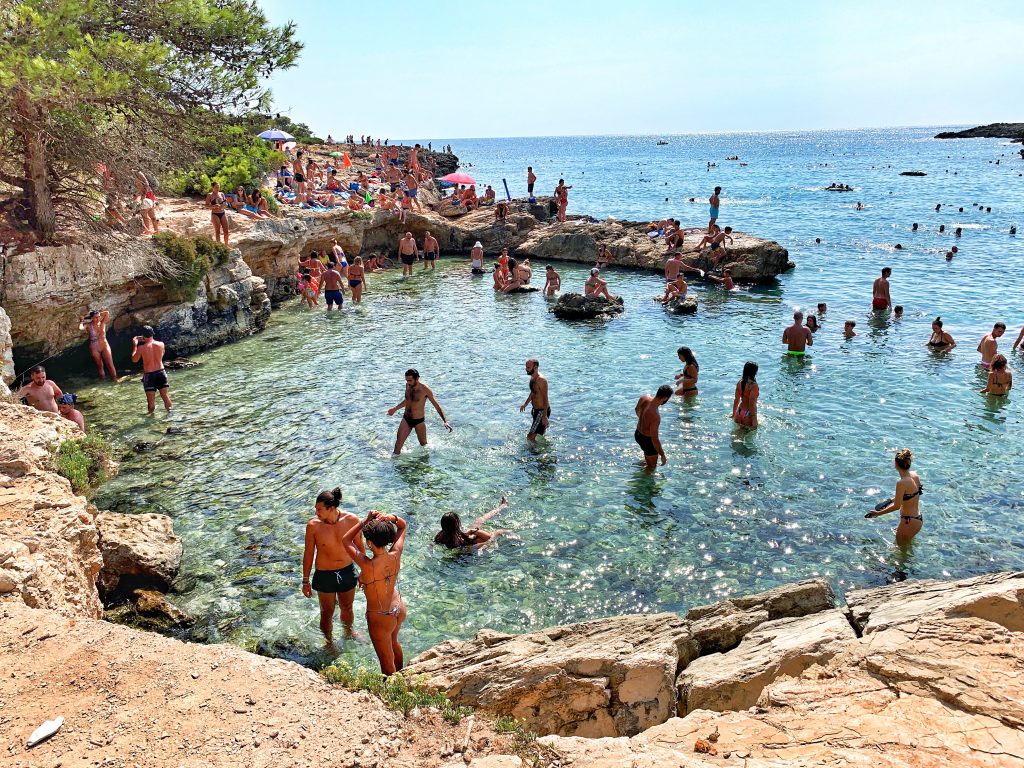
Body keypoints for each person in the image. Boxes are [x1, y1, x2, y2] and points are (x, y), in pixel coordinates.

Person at [341, 511, 408, 675]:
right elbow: (403, 526)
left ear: (369, 543)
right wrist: (391, 518)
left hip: (380, 615)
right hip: (398, 607)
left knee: (386, 663)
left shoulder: (367, 565)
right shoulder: (395, 554)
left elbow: (346, 540)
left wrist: (365, 520)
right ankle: (404, 675)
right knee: (394, 642)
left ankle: (394, 694)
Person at [302, 487, 363, 644]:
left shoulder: (352, 520)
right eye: (316, 509)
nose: (316, 513)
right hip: (325, 574)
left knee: (347, 608)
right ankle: (329, 642)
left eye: (319, 509)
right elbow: (308, 553)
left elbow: (360, 548)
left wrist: (365, 572)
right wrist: (305, 580)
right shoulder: (313, 526)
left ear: (332, 508)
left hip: (347, 571)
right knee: (327, 612)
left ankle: (349, 633)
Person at [865, 448, 923, 547]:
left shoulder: (901, 482)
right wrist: (889, 501)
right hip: (917, 519)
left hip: (908, 522)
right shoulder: (914, 475)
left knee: (901, 556)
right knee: (906, 549)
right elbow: (911, 495)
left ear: (896, 465)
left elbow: (897, 506)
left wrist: (877, 514)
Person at [387, 369, 452, 455]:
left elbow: (436, 405)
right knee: (397, 446)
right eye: (406, 380)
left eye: (410, 380)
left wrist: (445, 421)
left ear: (417, 378)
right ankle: (395, 466)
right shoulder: (408, 386)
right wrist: (395, 409)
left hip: (419, 421)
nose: (408, 382)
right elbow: (408, 400)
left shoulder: (425, 390)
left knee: (424, 446)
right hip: (406, 419)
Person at [434, 497, 509, 549]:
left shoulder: (440, 535)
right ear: (457, 524)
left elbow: (433, 543)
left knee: (479, 521)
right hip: (471, 547)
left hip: (462, 547)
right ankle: (503, 506)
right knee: (496, 531)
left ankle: (502, 506)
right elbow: (489, 538)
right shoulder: (461, 538)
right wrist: (472, 531)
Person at [131, 325, 171, 413]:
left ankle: (150, 420)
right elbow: (161, 355)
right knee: (165, 396)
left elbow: (134, 359)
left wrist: (135, 345)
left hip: (149, 375)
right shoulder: (161, 344)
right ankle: (170, 414)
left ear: (143, 336)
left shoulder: (141, 348)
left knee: (151, 403)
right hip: (161, 372)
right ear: (153, 333)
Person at [634, 385, 672, 470]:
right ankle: (641, 481)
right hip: (647, 440)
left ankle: (640, 466)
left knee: (647, 457)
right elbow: (654, 438)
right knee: (652, 468)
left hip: (637, 434)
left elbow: (636, 409)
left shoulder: (645, 397)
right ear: (665, 398)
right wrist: (662, 454)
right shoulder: (655, 415)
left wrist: (643, 420)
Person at [79, 309, 117, 379]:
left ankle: (115, 380)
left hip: (104, 345)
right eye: (96, 317)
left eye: (99, 316)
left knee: (110, 364)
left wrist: (95, 314)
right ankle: (102, 381)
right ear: (92, 318)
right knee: (100, 366)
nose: (98, 318)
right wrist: (82, 321)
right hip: (94, 346)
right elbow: (81, 328)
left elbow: (107, 313)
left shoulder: (102, 322)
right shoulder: (88, 325)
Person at [519, 358, 550, 441]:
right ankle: (539, 452)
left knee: (530, 437)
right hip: (536, 411)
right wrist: (525, 404)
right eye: (526, 367)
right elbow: (533, 392)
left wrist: (544, 416)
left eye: (528, 367)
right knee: (538, 435)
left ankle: (533, 453)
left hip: (541, 411)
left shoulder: (541, 380)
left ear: (535, 367)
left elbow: (545, 399)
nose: (526, 369)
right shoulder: (532, 378)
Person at [732, 361, 759, 428]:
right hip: (748, 414)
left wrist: (733, 414)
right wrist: (754, 419)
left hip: (739, 412)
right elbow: (751, 404)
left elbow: (736, 400)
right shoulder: (753, 386)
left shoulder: (739, 382)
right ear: (754, 372)